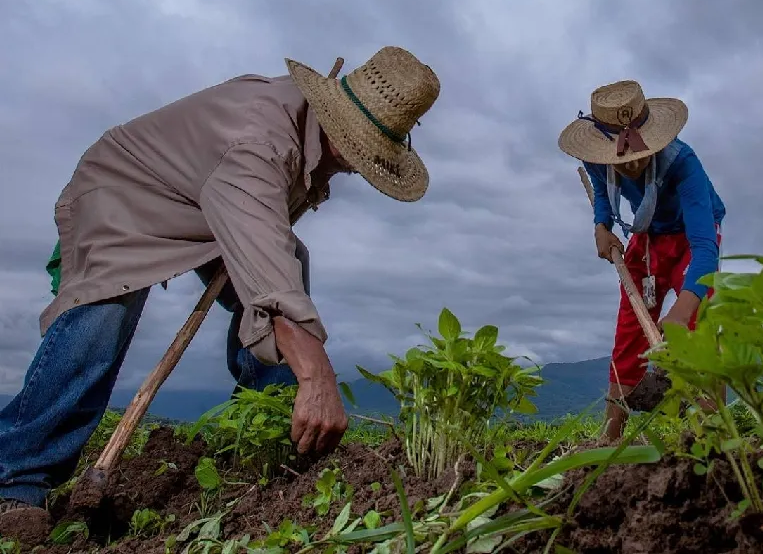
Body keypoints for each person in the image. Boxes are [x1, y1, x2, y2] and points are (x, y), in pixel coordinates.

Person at [0, 46, 442, 538]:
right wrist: (317, 377)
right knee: (103, 312)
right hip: (122, 194)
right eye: (360, 154)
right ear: (339, 131)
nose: (359, 167)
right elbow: (270, 278)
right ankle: (19, 479)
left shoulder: (297, 136)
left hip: (203, 199)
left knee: (290, 262)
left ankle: (266, 437)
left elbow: (270, 256)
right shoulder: (260, 142)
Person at [558, 80, 726, 442]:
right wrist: (601, 225)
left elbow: (705, 250)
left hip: (691, 238)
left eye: (638, 154)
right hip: (648, 234)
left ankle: (714, 433)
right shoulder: (596, 158)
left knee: (700, 324)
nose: (631, 165)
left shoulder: (683, 164)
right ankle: (611, 432)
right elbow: (602, 189)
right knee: (630, 328)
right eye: (621, 158)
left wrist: (683, 308)